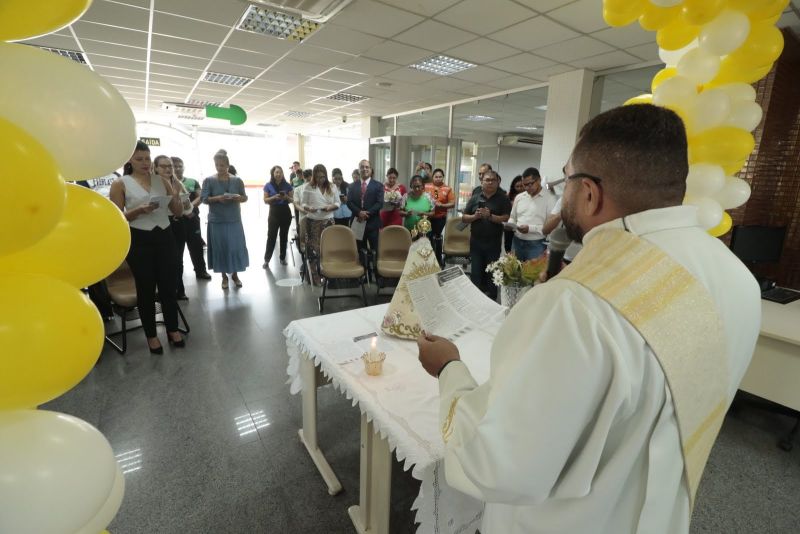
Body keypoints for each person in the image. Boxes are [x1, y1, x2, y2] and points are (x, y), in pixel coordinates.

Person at [417, 104, 761, 534]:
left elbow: (496, 466)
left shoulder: (574, 303)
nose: (561, 196)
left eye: (565, 181)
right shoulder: (738, 278)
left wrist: (449, 368)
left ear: (590, 193)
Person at [109, 141, 186, 354]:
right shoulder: (121, 184)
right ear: (129, 161)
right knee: (146, 288)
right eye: (139, 159)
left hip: (165, 236)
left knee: (169, 286)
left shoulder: (161, 181)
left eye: (147, 158)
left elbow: (178, 212)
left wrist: (176, 195)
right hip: (139, 240)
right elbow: (117, 219)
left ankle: (172, 328)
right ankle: (151, 335)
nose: (145, 163)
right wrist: (138, 211)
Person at [201, 151, 249, 290]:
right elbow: (204, 199)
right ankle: (223, 277)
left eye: (222, 165)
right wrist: (218, 198)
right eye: (217, 165)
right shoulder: (209, 180)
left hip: (234, 219)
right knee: (220, 248)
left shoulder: (237, 180)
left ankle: (235, 275)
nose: (219, 168)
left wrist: (238, 198)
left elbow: (245, 197)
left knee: (234, 247)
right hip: (217, 220)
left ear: (228, 165)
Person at [461, 170, 511, 300]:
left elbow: (506, 218)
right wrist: (475, 216)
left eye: (492, 180)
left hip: (493, 243)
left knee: (493, 273)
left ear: (497, 182)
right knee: (476, 273)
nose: (489, 182)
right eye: (486, 180)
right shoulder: (475, 198)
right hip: (476, 242)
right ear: (481, 182)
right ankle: (475, 299)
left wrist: (490, 216)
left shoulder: (503, 198)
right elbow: (464, 218)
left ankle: (492, 299)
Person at [153, 155, 192, 300]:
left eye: (170, 166)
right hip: (161, 224)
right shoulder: (152, 184)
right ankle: (166, 291)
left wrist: (188, 205)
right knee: (165, 261)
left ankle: (179, 290)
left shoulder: (177, 183)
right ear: (155, 168)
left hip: (178, 223)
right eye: (163, 166)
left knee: (178, 260)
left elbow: (187, 208)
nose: (168, 169)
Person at [172, 157, 211, 281]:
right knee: (177, 251)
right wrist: (182, 211)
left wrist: (189, 207)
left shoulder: (192, 181)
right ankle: (178, 278)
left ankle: (201, 271)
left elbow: (201, 197)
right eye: (175, 166)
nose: (178, 168)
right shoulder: (167, 183)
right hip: (176, 221)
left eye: (180, 165)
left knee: (196, 247)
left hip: (192, 219)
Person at [507, 167, 558, 261]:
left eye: (531, 184)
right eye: (525, 185)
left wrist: (530, 228)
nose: (527, 187)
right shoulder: (519, 197)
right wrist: (510, 224)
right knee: (513, 273)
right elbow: (513, 217)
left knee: (532, 274)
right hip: (517, 241)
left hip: (536, 244)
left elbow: (550, 227)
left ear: (539, 180)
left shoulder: (550, 199)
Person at [302, 164, 340, 285]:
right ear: (314, 176)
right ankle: (314, 277)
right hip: (313, 221)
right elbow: (303, 203)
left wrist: (331, 207)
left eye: (323, 177)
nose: (320, 180)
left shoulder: (332, 186)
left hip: (328, 221)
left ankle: (330, 275)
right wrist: (309, 208)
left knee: (328, 249)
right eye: (318, 177)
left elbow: (338, 203)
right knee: (314, 250)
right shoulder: (308, 187)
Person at [347, 159, 384, 258]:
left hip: (373, 223)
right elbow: (349, 202)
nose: (364, 169)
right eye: (362, 167)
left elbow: (379, 203)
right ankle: (363, 271)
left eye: (367, 167)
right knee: (360, 250)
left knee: (374, 250)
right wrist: (359, 212)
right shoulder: (352, 186)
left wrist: (366, 213)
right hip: (357, 222)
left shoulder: (378, 186)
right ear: (359, 170)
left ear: (371, 169)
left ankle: (375, 272)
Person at [262, 165, 293, 268]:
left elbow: (292, 200)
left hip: (285, 212)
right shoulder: (268, 185)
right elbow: (265, 200)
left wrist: (286, 197)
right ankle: (267, 260)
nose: (278, 174)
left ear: (283, 173)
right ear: (273, 174)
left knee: (284, 236)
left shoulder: (287, 185)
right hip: (273, 212)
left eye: (280, 172)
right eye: (276, 172)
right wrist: (274, 197)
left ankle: (282, 258)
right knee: (271, 236)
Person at [424, 168, 455, 263]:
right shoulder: (426, 186)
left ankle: (438, 260)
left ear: (443, 177)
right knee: (427, 238)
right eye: (436, 177)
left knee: (437, 238)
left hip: (439, 218)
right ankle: (428, 260)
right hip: (427, 217)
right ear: (432, 177)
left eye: (440, 177)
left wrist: (442, 205)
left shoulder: (448, 188)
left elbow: (452, 203)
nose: (438, 178)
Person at [504, 175, 524, 253]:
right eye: (517, 186)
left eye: (521, 186)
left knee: (518, 248)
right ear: (513, 187)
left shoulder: (528, 197)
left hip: (521, 225)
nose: (519, 188)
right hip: (509, 225)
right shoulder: (508, 197)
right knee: (508, 247)